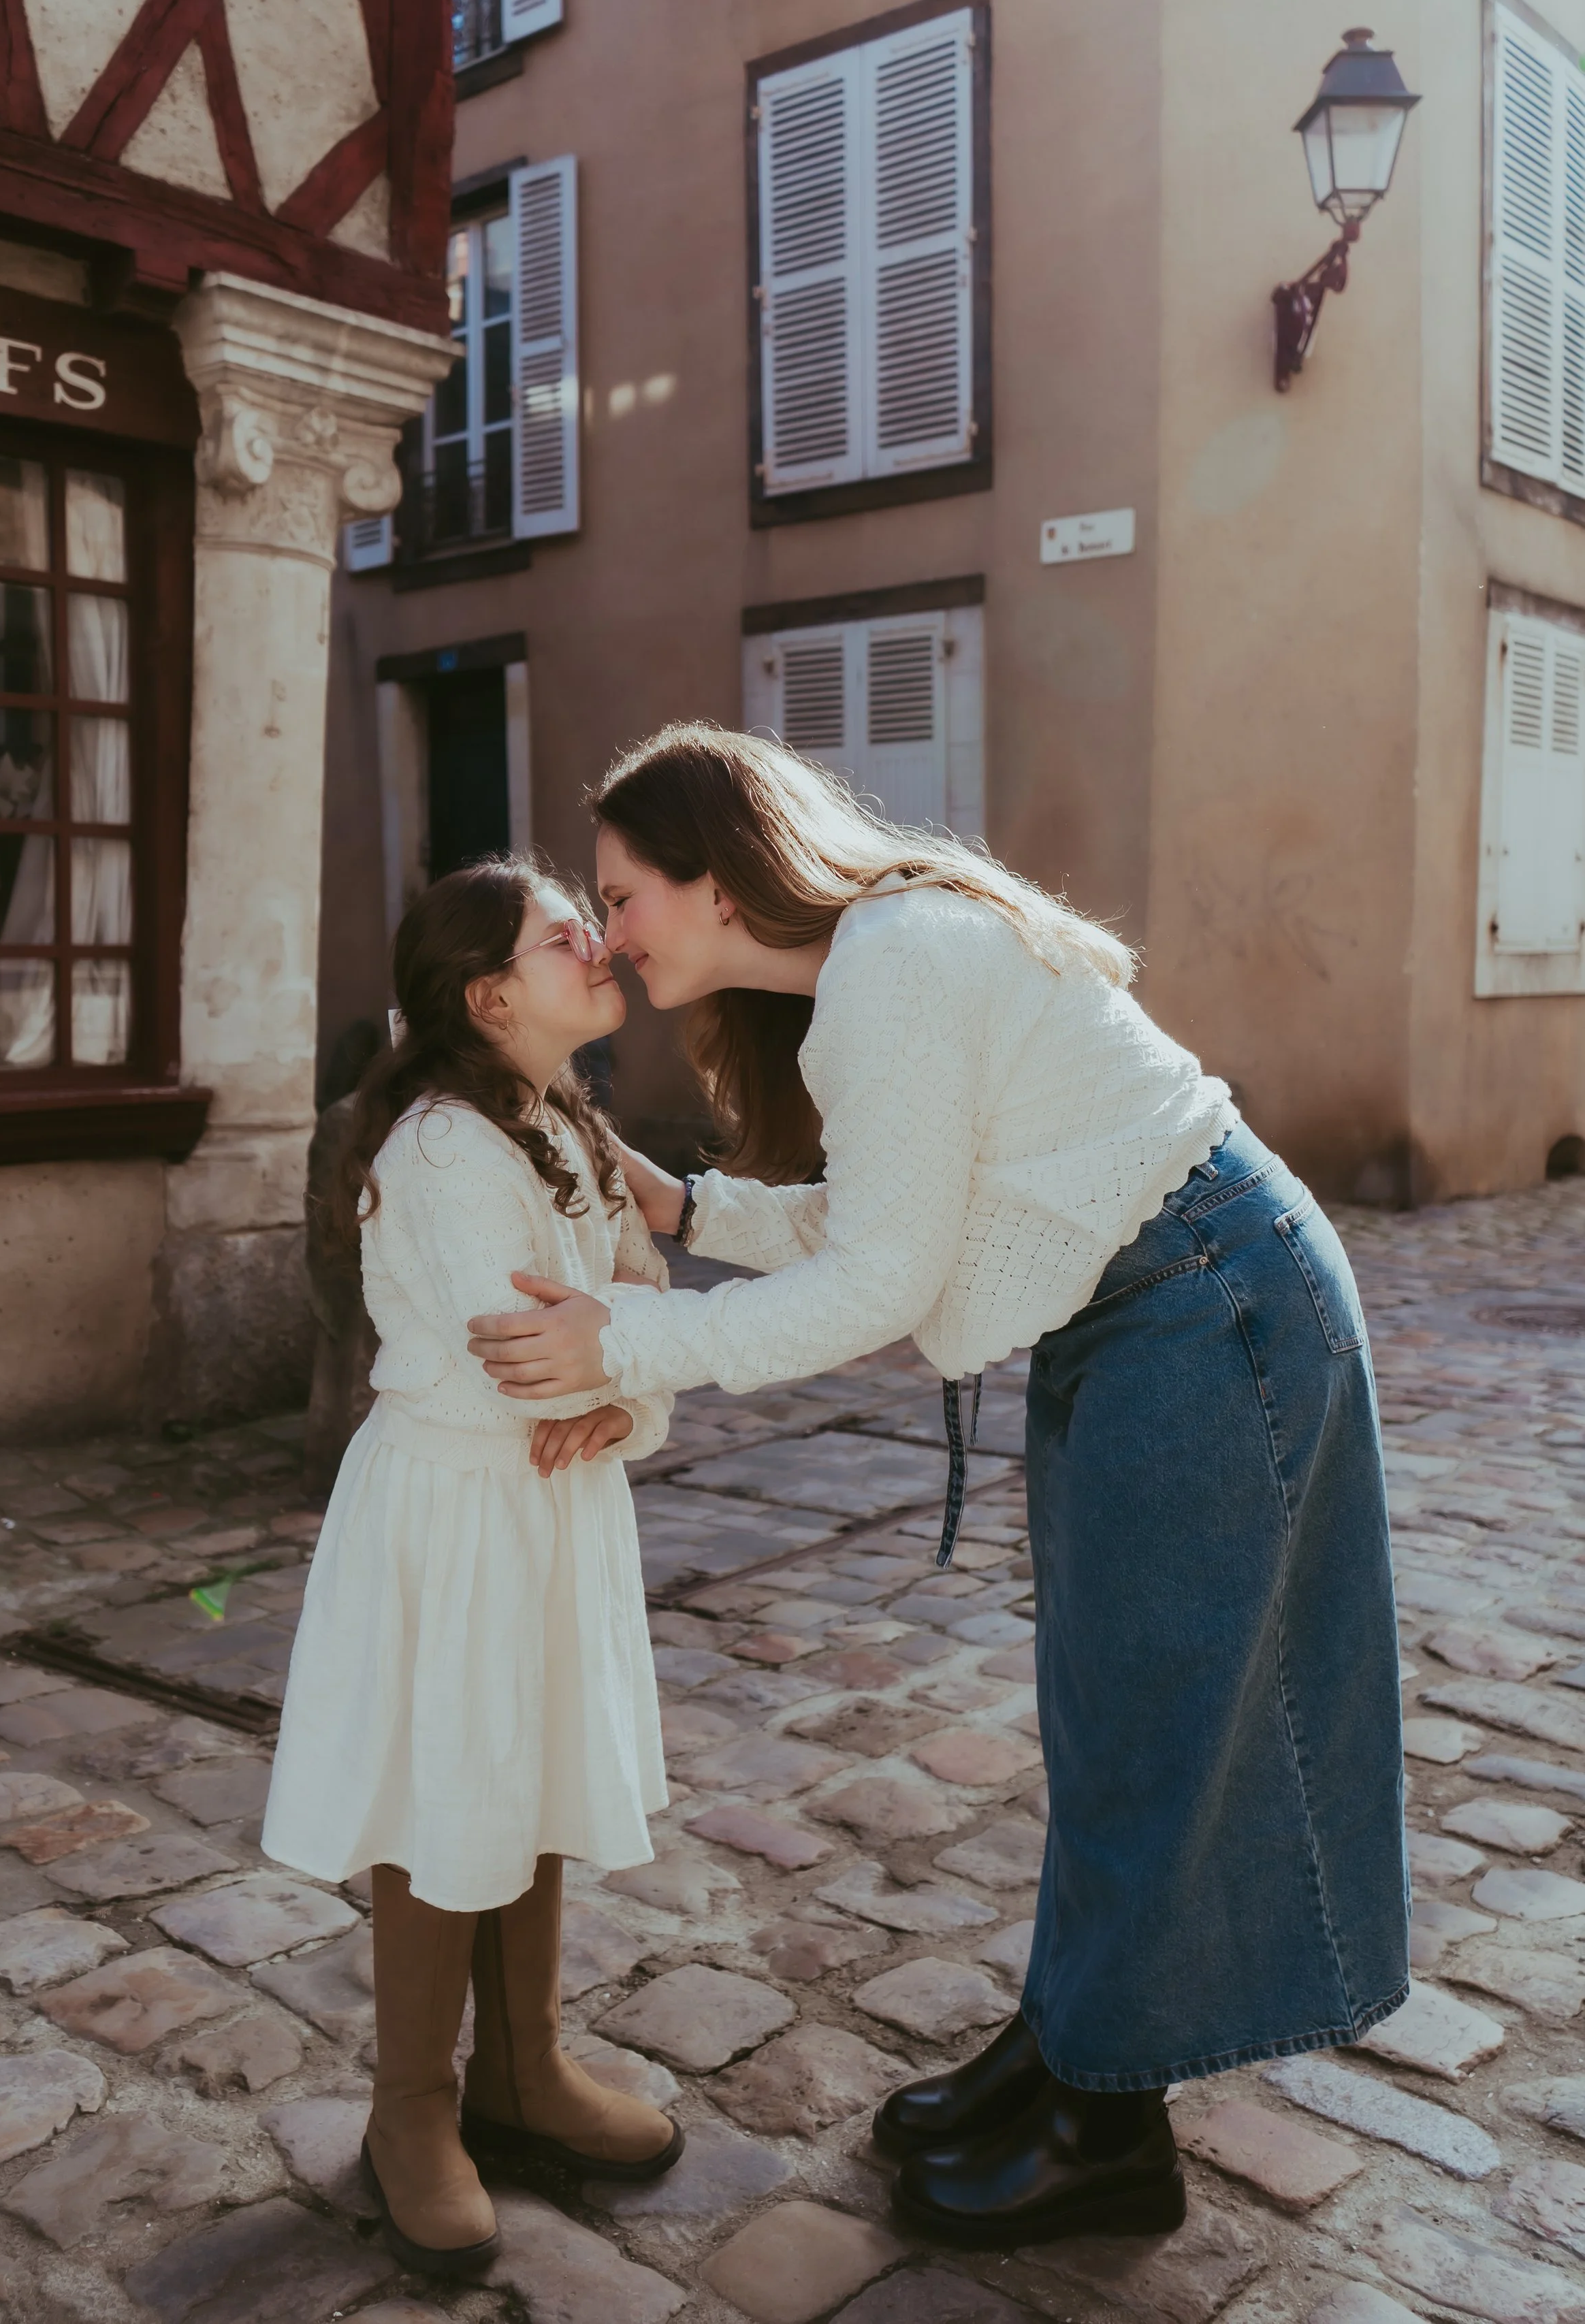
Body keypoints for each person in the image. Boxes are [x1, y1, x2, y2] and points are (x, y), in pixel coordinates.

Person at [466, 724, 1408, 2254]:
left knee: (1154, 1723)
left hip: (1212, 1305)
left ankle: (1109, 2133)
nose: (612, 933)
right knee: (1103, 1713)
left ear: (718, 883)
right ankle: (1071, 2048)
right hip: (1152, 1305)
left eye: (624, 895)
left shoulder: (892, 961)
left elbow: (876, 1283)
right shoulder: (871, 965)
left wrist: (622, 1341)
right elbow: (890, 1211)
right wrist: (687, 1207)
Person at [263, 858, 684, 2282]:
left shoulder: (561, 1118)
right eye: (566, 935)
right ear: (489, 994)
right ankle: (411, 2108)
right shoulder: (444, 1149)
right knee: (449, 1783)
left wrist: (623, 1401)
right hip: (458, 1507)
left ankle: (522, 2069)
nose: (599, 943)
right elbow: (520, 1350)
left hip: (554, 1501)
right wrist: (609, 1376)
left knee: (535, 1767)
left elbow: (639, 1295)